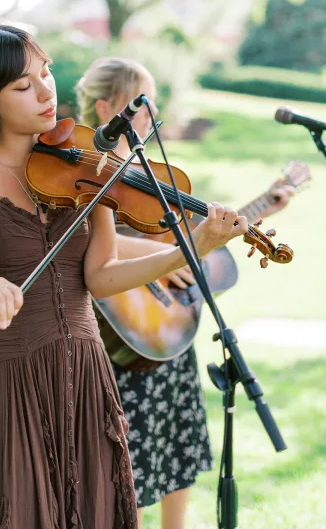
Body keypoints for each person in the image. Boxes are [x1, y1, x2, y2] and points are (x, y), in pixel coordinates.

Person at [0, 26, 248, 529]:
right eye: (23, 85)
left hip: (86, 375)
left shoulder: (91, 170)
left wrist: (194, 246)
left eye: (47, 72)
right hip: (8, 377)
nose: (46, 90)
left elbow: (101, 276)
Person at [76, 56, 294, 529]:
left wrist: (258, 210)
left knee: (177, 442)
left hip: (166, 331)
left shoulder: (150, 176)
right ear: (105, 107)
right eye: (142, 105)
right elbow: (82, 240)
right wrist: (168, 258)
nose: (153, 117)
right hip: (121, 333)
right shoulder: (85, 172)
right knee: (124, 458)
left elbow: (189, 237)